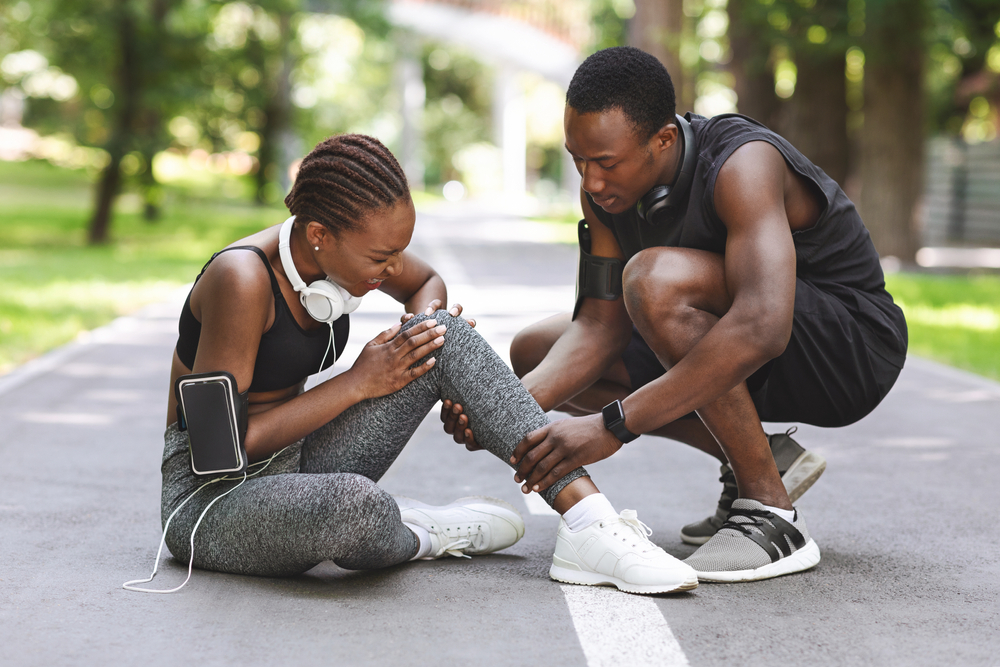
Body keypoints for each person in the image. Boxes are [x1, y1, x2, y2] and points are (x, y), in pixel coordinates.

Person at [154, 133, 699, 595]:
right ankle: (423, 533)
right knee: (353, 508)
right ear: (318, 235)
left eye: (397, 252)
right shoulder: (241, 280)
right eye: (378, 260)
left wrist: (420, 336)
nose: (389, 269)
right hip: (212, 499)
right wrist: (359, 383)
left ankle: (590, 523)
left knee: (443, 334)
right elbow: (216, 451)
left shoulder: (347, 248)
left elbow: (423, 284)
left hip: (297, 456)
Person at [442, 47, 907, 582]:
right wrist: (504, 408)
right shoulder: (605, 198)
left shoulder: (743, 164)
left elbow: (762, 327)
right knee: (532, 352)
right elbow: (597, 328)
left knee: (652, 280)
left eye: (606, 162)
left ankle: (770, 510)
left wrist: (613, 426)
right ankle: (759, 457)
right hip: (744, 344)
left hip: (847, 350)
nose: (590, 182)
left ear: (663, 139)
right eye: (578, 160)